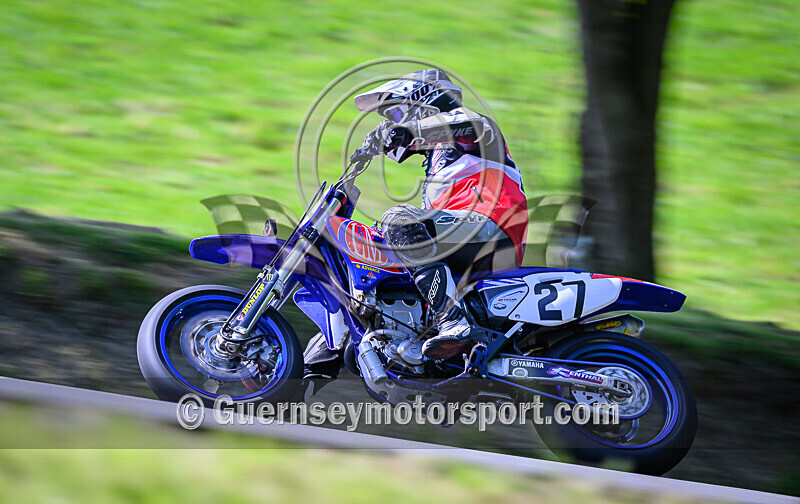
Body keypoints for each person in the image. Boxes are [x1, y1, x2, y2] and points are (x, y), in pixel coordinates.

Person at [352, 69, 528, 359]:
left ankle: (452, 322)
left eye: (397, 112)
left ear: (424, 101)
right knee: (377, 243)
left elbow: (464, 125)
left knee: (400, 221)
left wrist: (410, 132)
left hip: (493, 225)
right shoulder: (438, 164)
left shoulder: (474, 130)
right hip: (464, 236)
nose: (393, 121)